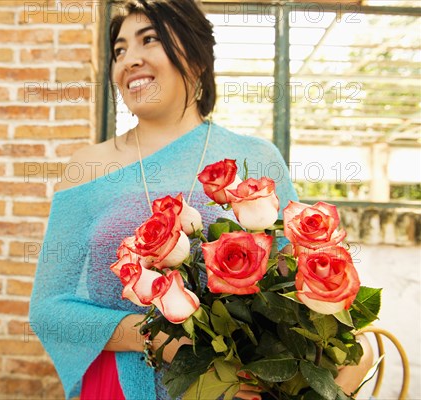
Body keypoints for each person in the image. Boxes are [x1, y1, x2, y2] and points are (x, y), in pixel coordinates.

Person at [29, 1, 373, 399]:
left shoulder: (255, 158)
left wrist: (346, 353)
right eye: (119, 51)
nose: (128, 61)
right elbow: (48, 311)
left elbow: (296, 281)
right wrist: (157, 339)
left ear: (195, 57)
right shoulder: (86, 166)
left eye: (149, 40)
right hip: (122, 385)